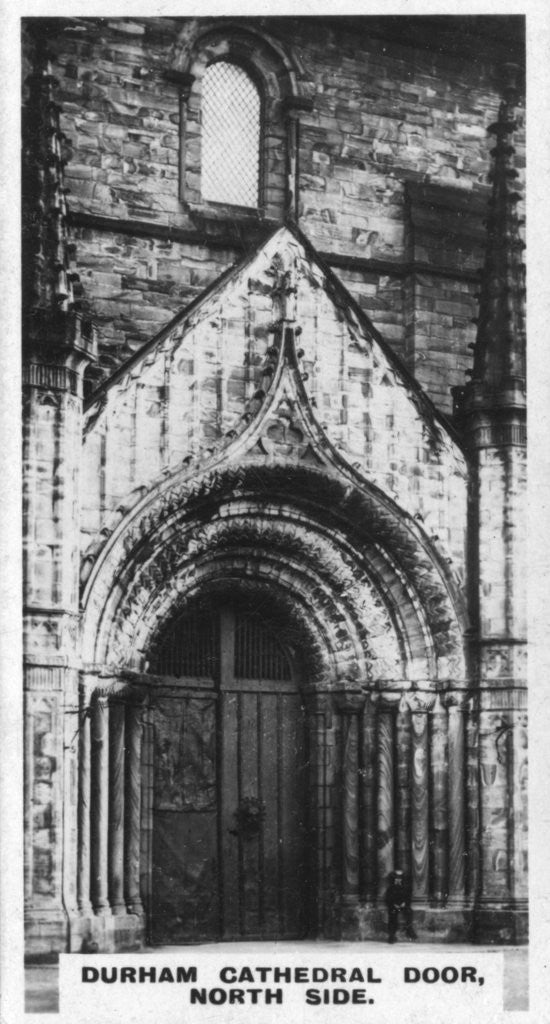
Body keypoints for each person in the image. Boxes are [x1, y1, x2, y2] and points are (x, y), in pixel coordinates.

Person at [385, 869, 417, 943]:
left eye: (399, 879)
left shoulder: (406, 888)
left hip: (403, 905)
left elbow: (408, 898)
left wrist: (405, 903)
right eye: (396, 879)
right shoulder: (390, 888)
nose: (398, 880)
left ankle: (409, 930)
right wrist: (393, 905)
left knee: (409, 912)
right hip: (394, 906)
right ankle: (392, 935)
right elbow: (388, 899)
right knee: (392, 914)